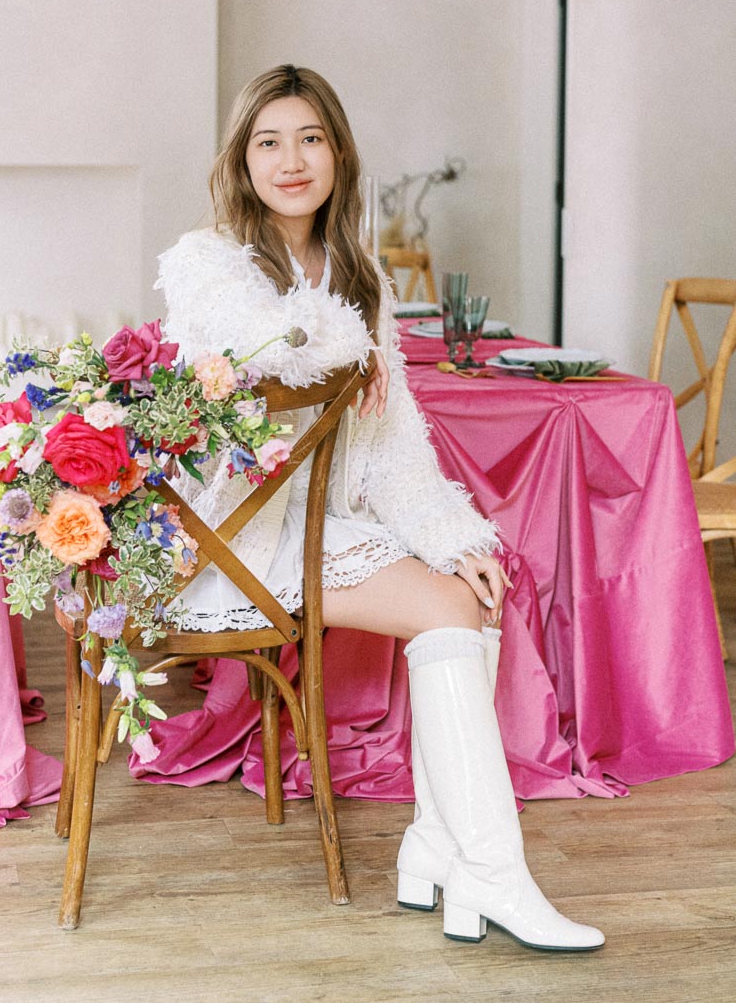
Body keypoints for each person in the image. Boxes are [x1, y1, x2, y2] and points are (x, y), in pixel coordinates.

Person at [155, 64, 603, 953]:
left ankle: (445, 852)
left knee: (471, 590)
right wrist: (354, 348)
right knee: (449, 609)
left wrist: (452, 536)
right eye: (268, 141)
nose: (291, 161)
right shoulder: (206, 259)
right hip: (230, 535)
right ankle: (487, 872)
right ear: (241, 160)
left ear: (339, 153)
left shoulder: (359, 273)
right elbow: (277, 349)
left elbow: (395, 445)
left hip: (320, 523)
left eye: (311, 139)